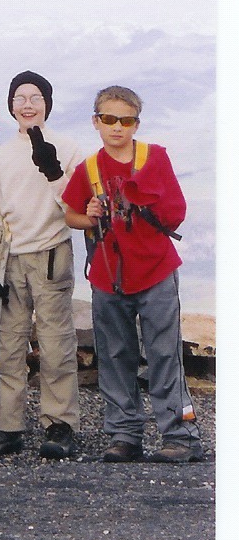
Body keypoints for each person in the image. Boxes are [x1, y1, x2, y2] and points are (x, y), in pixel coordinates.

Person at [62, 86, 203, 463]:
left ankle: (181, 436)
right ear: (96, 121)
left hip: (156, 271)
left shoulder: (153, 157)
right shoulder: (88, 168)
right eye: (108, 119)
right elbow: (71, 215)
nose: (117, 127)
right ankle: (124, 436)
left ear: (136, 124)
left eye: (125, 120)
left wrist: (142, 199)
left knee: (164, 354)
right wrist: (89, 214)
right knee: (114, 355)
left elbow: (176, 211)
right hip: (109, 278)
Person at [0, 71, 83, 459]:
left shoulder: (68, 148)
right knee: (10, 343)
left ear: (47, 104)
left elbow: (77, 207)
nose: (27, 104)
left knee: (56, 344)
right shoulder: (1, 154)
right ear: (11, 105)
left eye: (35, 97)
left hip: (52, 251)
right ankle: (8, 426)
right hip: (10, 257)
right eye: (19, 97)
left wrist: (53, 172)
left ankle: (60, 424)